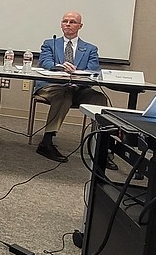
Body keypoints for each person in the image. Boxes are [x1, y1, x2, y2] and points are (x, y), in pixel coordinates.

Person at [33, 11, 108, 163]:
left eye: (72, 22)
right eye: (65, 21)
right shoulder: (50, 43)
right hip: (52, 87)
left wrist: (77, 75)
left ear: (80, 26)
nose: (67, 24)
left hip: (78, 88)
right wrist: (60, 66)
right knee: (64, 94)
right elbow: (45, 62)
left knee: (99, 98)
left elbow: (93, 70)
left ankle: (100, 145)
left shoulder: (90, 49)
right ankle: (47, 142)